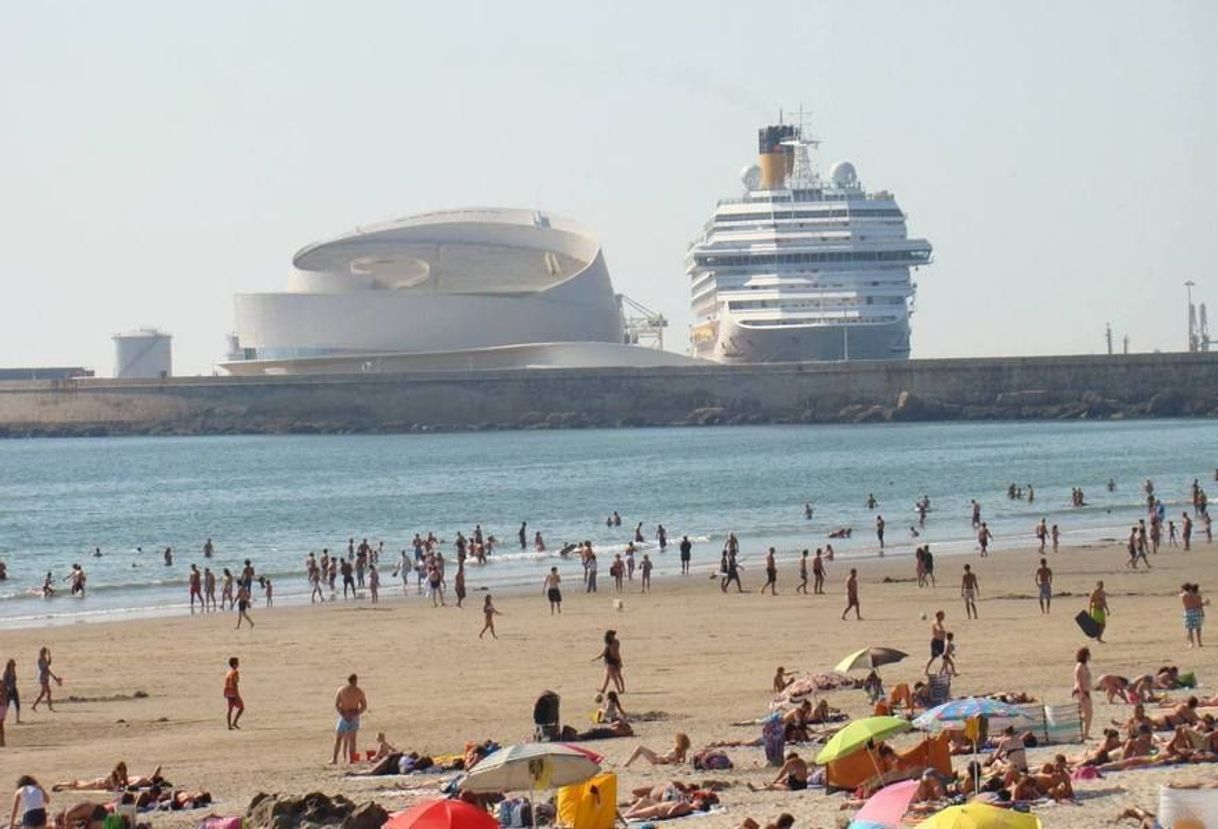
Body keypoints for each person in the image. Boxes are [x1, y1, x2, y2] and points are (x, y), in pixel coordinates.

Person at [331, 674, 368, 765]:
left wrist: (343, 714)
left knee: (339, 738)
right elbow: (364, 706)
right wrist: (355, 713)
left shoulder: (341, 690)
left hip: (345, 715)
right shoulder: (359, 692)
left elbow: (337, 704)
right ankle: (351, 759)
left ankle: (335, 759)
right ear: (355, 681)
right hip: (353, 716)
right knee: (352, 739)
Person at [625, 733, 691, 767]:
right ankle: (627, 763)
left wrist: (668, 761)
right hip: (660, 758)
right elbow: (682, 761)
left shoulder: (677, 750)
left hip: (657, 760)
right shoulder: (683, 750)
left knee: (639, 748)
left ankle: (627, 763)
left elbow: (674, 762)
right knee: (640, 748)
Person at [31, 647, 60, 712]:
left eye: (44, 653)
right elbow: (44, 668)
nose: (43, 654)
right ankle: (50, 707)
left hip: (46, 677)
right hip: (43, 678)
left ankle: (33, 706)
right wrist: (54, 677)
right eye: (42, 652)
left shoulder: (44, 659)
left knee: (42, 694)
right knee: (49, 692)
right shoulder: (40, 660)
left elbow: (48, 664)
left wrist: (49, 655)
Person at [595, 630, 625, 695]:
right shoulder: (616, 642)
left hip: (611, 662)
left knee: (614, 677)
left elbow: (604, 653)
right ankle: (604, 689)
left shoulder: (610, 645)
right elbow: (616, 652)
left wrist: (596, 658)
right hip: (615, 660)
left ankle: (619, 690)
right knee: (608, 677)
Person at [1073, 647, 1093, 740]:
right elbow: (1079, 681)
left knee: (1087, 713)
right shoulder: (1080, 666)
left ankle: (1085, 733)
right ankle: (1084, 733)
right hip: (1082, 691)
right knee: (1087, 713)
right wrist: (1082, 693)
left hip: (1085, 690)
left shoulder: (1084, 666)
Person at [1182, 583, 1205, 647]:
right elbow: (1199, 604)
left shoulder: (1184, 596)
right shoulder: (1196, 595)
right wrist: (1205, 603)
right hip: (1196, 611)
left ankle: (1191, 643)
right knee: (1198, 628)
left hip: (1188, 612)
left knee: (1190, 629)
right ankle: (1199, 642)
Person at [224, 657, 244, 730]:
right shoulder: (235, 672)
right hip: (233, 692)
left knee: (230, 709)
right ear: (235, 664)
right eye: (238, 663)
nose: (238, 664)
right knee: (242, 707)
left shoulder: (228, 672)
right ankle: (235, 722)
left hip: (228, 692)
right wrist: (237, 695)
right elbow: (235, 684)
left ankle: (229, 725)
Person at [4, 660, 20, 724]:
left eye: (13, 664)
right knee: (6, 705)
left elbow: (15, 680)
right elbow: (5, 682)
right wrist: (7, 689)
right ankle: (2, 718)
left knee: (17, 704)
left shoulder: (13, 671)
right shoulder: (6, 673)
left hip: (14, 689)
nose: (13, 666)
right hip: (8, 691)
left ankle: (17, 719)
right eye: (12, 664)